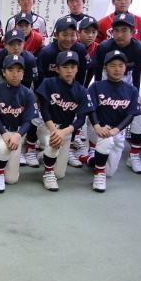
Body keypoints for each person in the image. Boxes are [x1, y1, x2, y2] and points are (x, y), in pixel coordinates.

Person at [92, 12, 141, 174]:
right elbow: (98, 74)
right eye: (116, 30)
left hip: (128, 85)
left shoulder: (140, 48)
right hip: (105, 84)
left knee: (139, 115)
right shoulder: (104, 47)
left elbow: (137, 75)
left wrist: (135, 97)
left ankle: (134, 156)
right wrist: (96, 95)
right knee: (93, 113)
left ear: (133, 32)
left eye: (124, 30)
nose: (119, 34)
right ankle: (91, 149)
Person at [34, 51, 94, 191]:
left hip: (66, 131)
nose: (69, 71)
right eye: (65, 67)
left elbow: (81, 120)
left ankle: (44, 155)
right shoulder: (49, 83)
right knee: (54, 143)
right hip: (47, 127)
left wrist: (63, 132)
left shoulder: (81, 90)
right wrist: (55, 131)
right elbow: (45, 111)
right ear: (57, 69)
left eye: (73, 67)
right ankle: (48, 174)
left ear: (77, 69)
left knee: (60, 174)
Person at [87, 50, 141, 192]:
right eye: (112, 65)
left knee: (110, 172)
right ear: (105, 68)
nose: (117, 69)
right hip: (96, 128)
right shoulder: (96, 86)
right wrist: (97, 126)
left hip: (117, 131)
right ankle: (99, 175)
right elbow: (91, 109)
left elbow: (131, 115)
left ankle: (90, 159)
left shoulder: (132, 90)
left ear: (125, 67)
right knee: (106, 139)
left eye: (120, 65)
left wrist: (117, 129)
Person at [0, 54, 38, 193]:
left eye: (18, 70)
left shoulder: (27, 93)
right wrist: (4, 134)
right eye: (10, 70)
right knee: (4, 147)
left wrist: (18, 135)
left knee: (11, 179)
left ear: (23, 73)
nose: (15, 74)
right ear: (3, 72)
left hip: (17, 133)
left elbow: (28, 121)